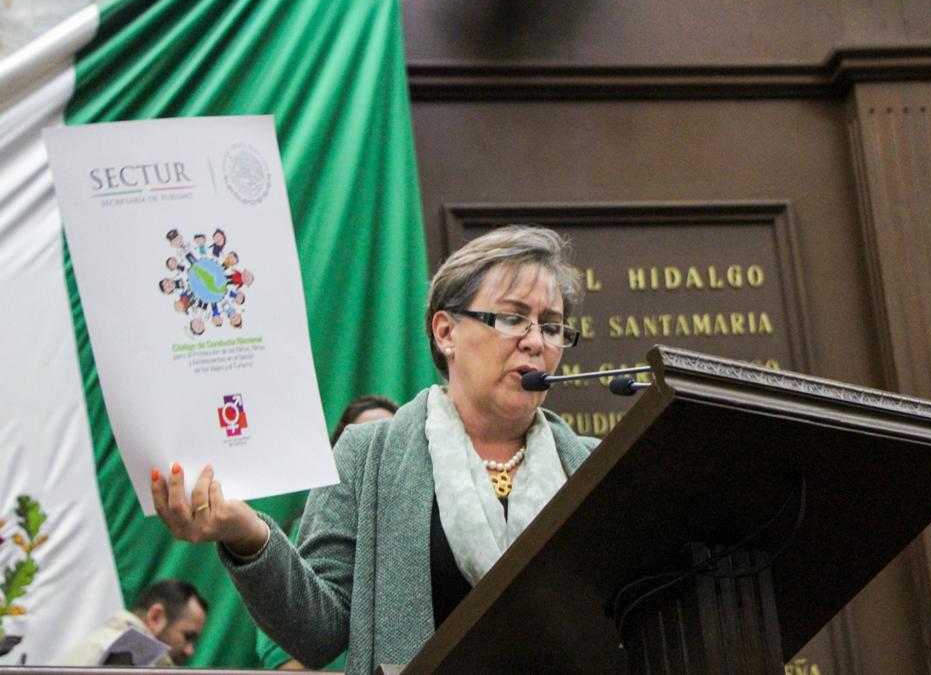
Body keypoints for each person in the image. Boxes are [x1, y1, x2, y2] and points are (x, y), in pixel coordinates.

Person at [151, 225, 597, 675]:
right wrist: (248, 536)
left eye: (552, 326)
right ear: (446, 332)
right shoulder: (367, 455)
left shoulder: (594, 468)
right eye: (512, 318)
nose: (536, 341)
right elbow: (317, 634)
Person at [256, 394, 399, 671]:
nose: (377, 455)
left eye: (389, 443)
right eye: (366, 446)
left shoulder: (419, 528)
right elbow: (285, 652)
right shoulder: (304, 533)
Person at [51, 579, 207, 666]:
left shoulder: (96, 648)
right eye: (188, 637)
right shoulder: (110, 657)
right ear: (155, 617)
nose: (189, 651)